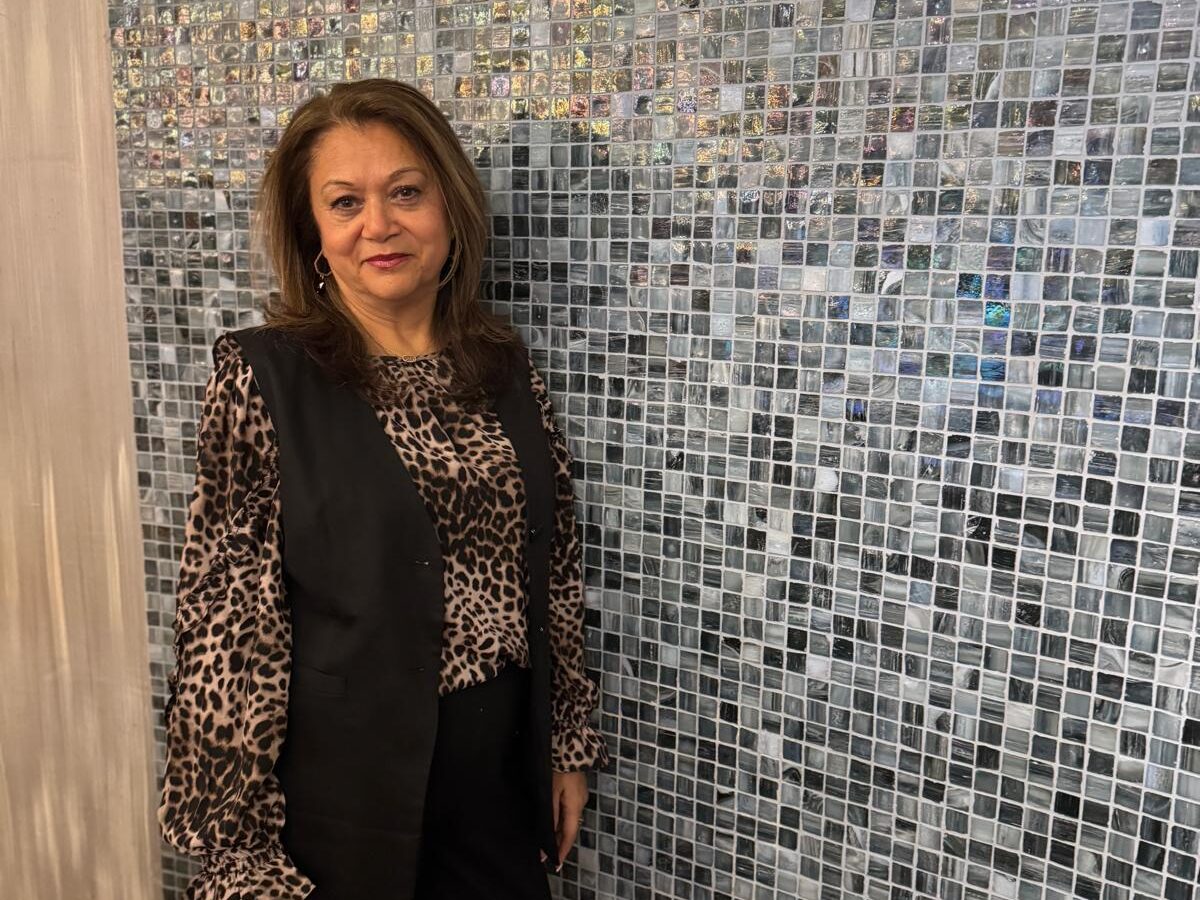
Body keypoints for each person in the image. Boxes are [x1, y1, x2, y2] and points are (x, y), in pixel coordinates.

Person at [158, 78, 608, 900]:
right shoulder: (265, 378)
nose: (380, 224)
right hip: (339, 811)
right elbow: (225, 632)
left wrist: (565, 744)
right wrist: (242, 862)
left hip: (500, 795)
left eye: (406, 191)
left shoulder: (502, 365)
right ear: (314, 232)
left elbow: (555, 568)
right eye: (345, 202)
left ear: (449, 206)